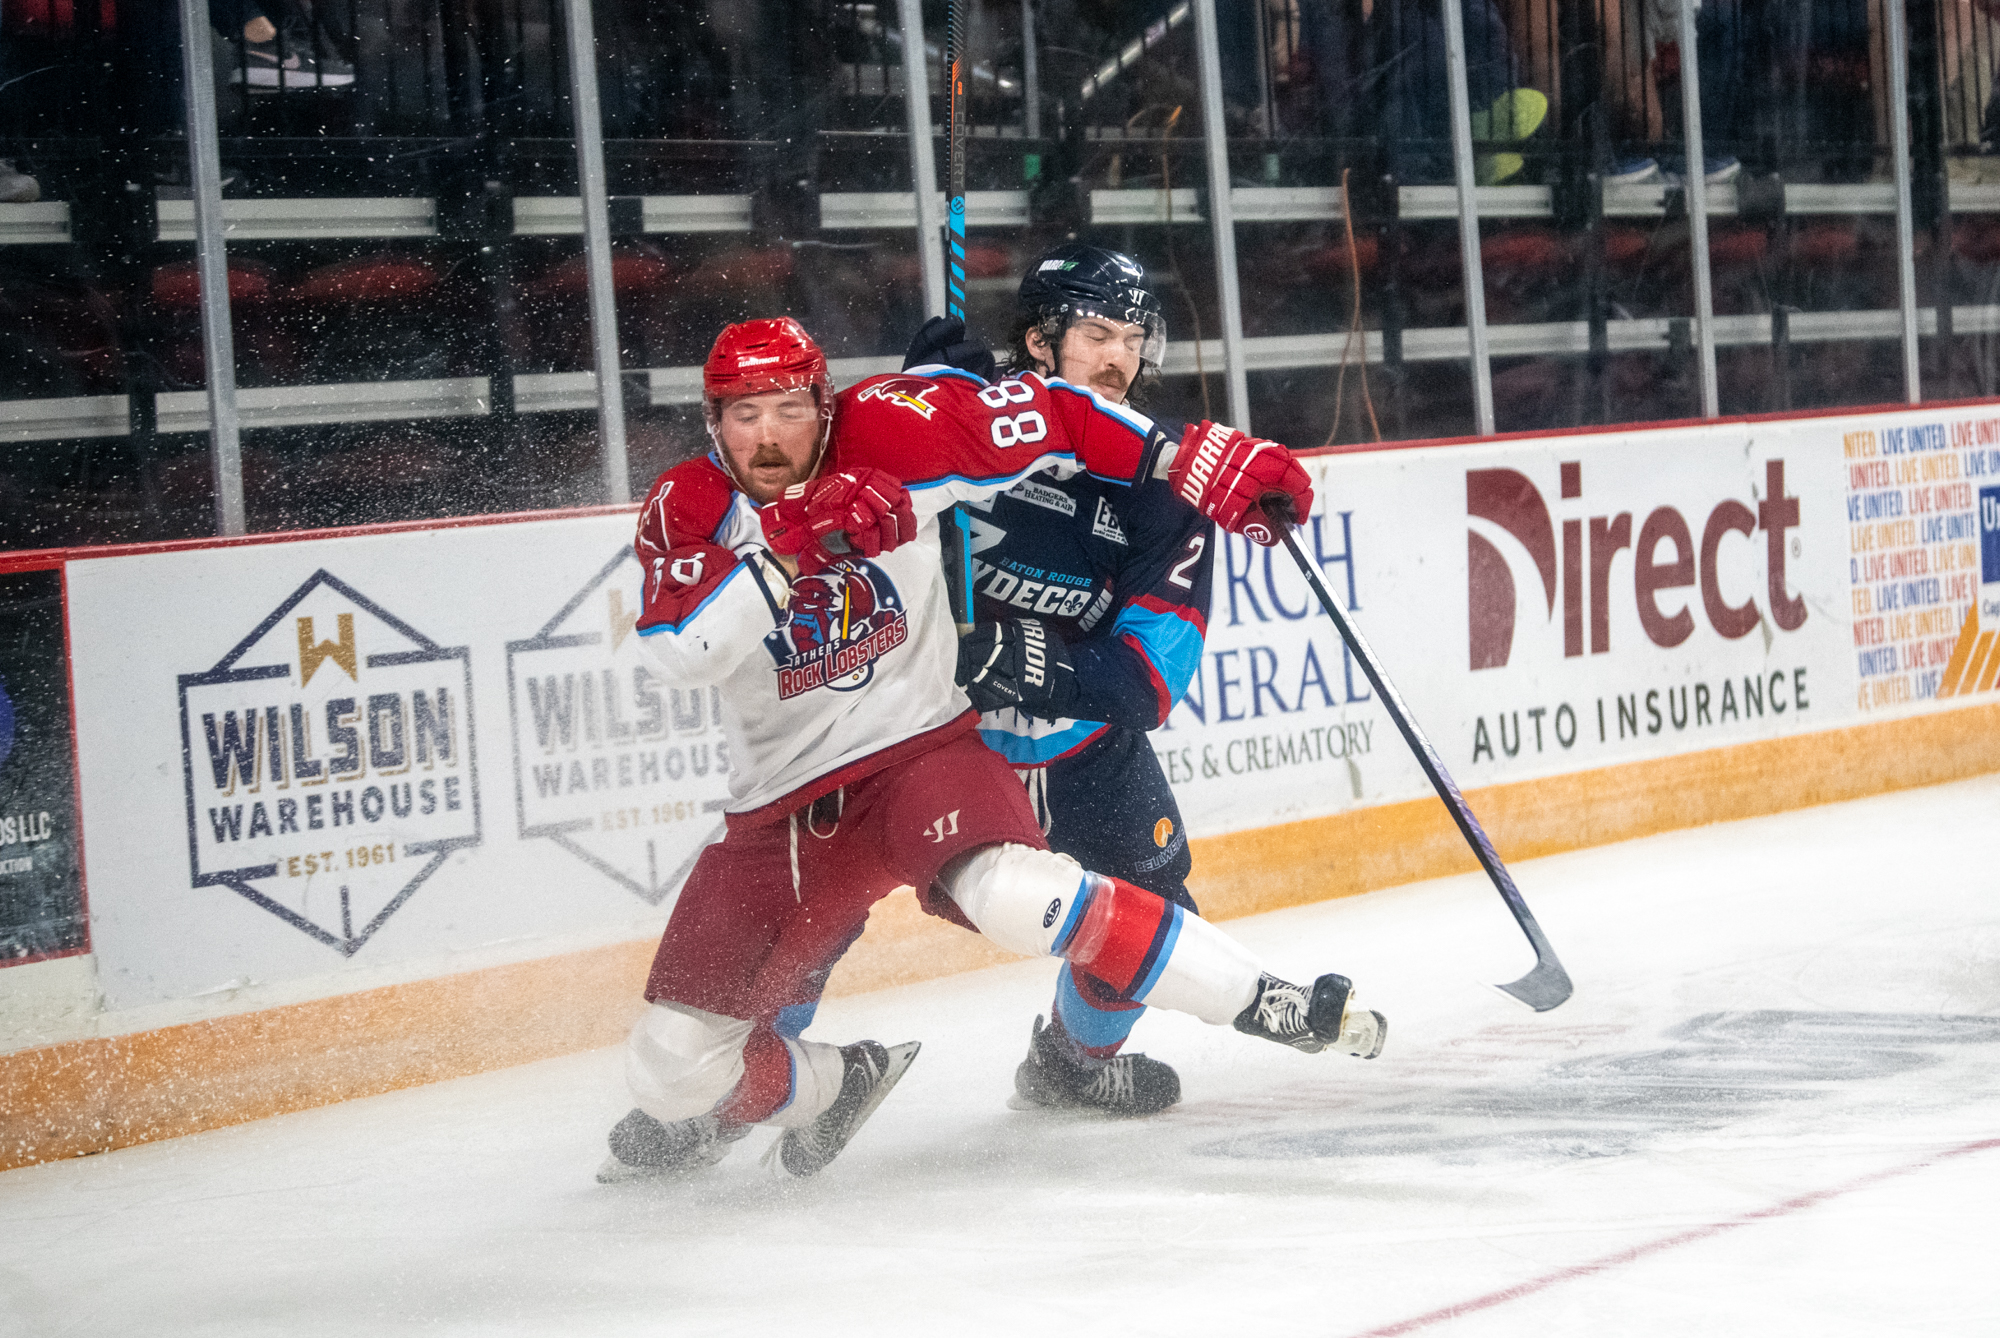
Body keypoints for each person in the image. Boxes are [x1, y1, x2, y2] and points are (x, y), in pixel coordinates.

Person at [597, 316, 1385, 1183]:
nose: (769, 435)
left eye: (789, 408)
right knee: (668, 1067)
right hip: (780, 809)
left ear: (824, 405)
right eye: (744, 414)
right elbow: (680, 652)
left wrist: (1183, 460)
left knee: (1014, 891)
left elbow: (1056, 415)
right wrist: (791, 547)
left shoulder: (895, 427)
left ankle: (1264, 1000)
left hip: (917, 753)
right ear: (712, 421)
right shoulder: (689, 505)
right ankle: (835, 1083)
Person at [901, 244, 1214, 1118]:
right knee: (818, 884)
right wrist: (906, 408)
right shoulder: (961, 423)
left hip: (1082, 744)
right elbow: (850, 532)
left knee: (1155, 915)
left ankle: (1067, 1070)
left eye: (1132, 337)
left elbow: (1148, 680)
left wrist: (1027, 662)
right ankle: (724, 1088)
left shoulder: (1163, 483)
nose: (1120, 358)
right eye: (1095, 334)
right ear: (1039, 343)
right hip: (936, 738)